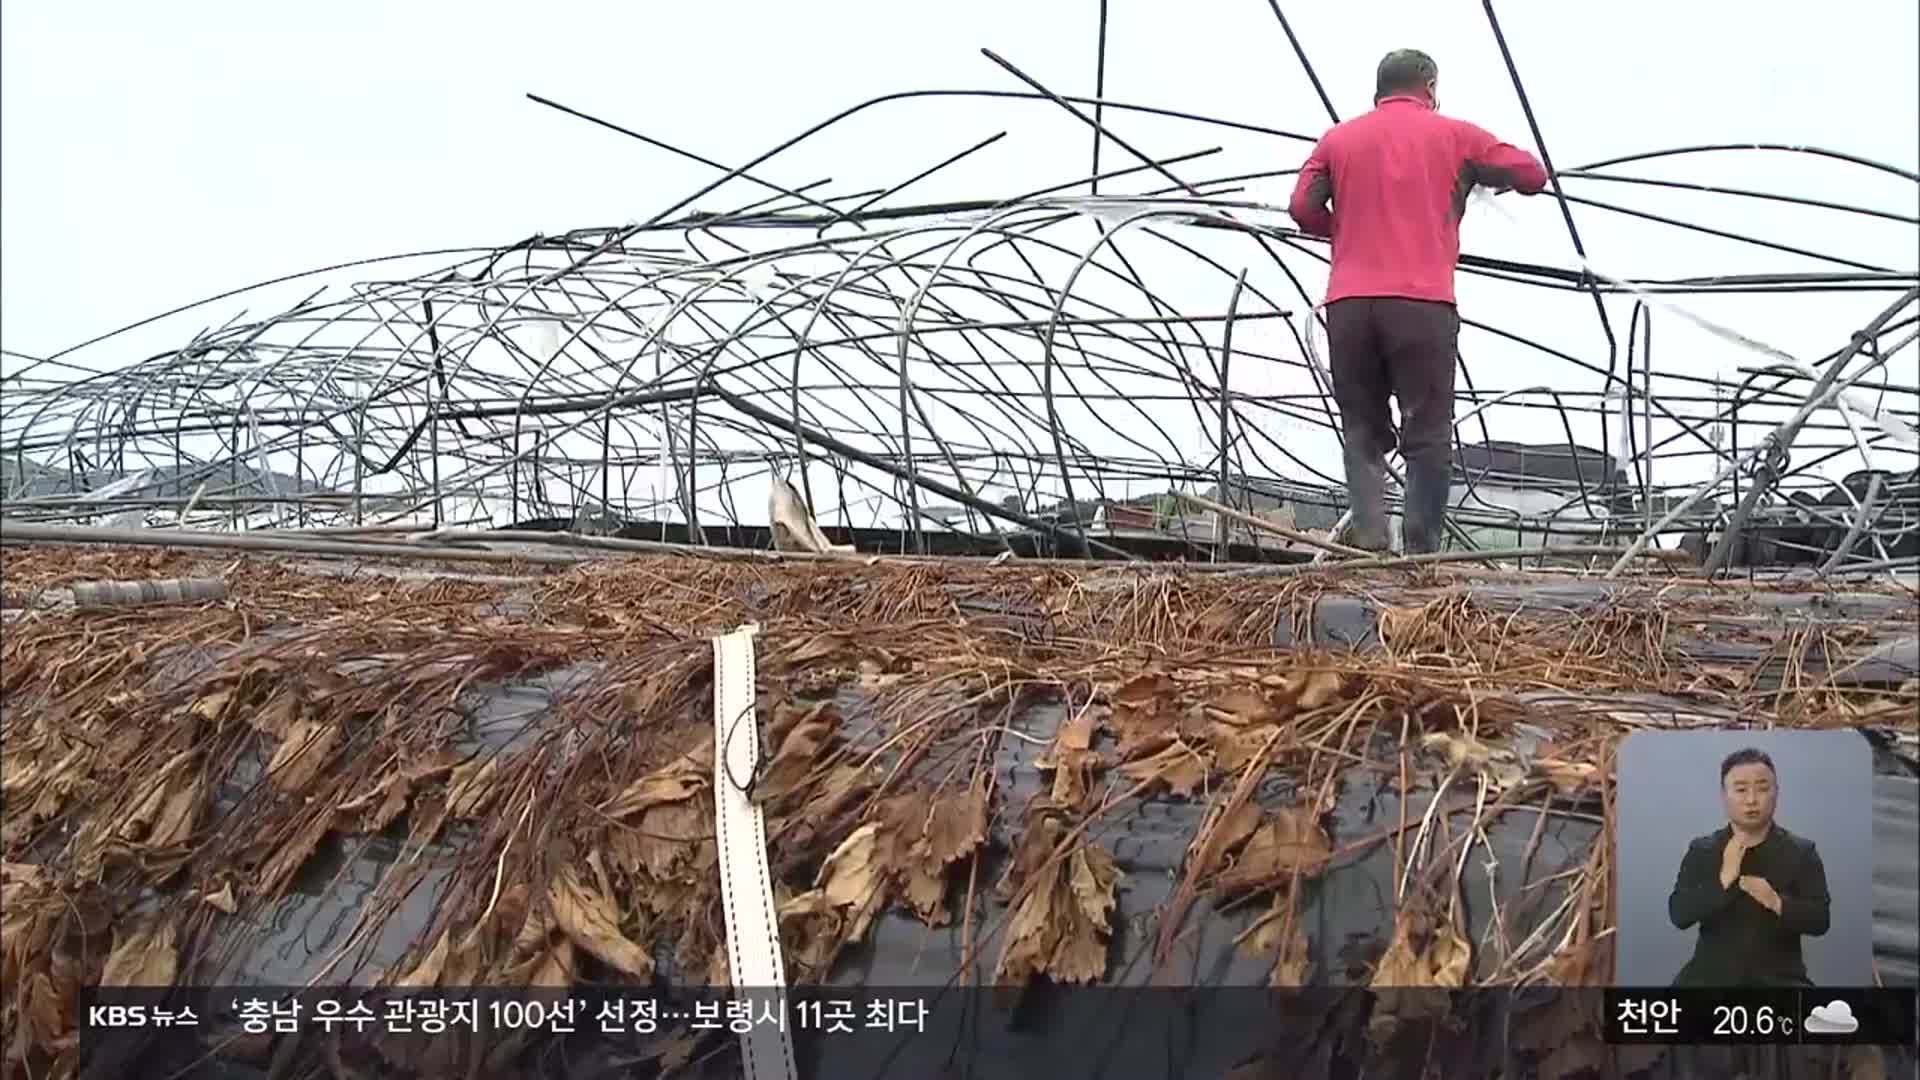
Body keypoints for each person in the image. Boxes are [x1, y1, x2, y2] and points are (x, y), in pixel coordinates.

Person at [1287, 49, 1548, 553]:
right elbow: (1532, 175)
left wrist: (1344, 232)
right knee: (1426, 434)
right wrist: (1478, 179)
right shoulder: (1457, 136)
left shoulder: (1338, 140)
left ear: (1378, 91)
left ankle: (1368, 541)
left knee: (1361, 429)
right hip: (1422, 306)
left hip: (1349, 305)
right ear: (1429, 86)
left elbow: (1301, 207)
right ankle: (1420, 554)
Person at [1667, 747, 1831, 987]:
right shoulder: (1703, 850)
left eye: (1763, 789)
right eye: (1741, 790)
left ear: (1776, 793)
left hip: (1780, 979)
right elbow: (1679, 915)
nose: (1752, 800)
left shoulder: (1802, 852)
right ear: (1724, 795)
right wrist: (1724, 879)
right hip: (1708, 978)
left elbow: (1820, 921)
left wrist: (1776, 902)